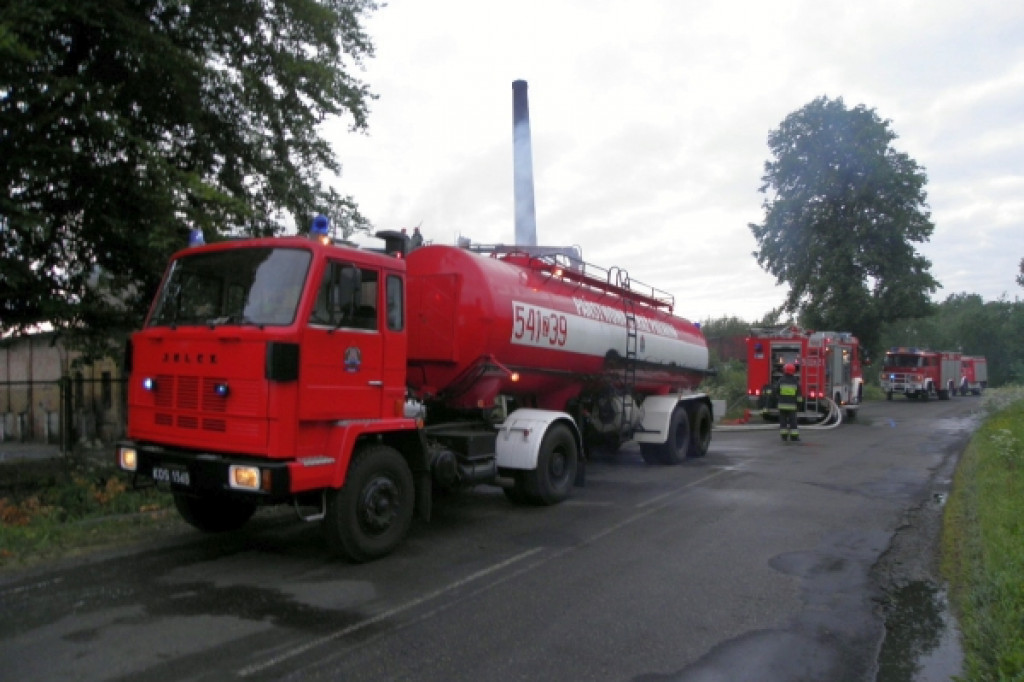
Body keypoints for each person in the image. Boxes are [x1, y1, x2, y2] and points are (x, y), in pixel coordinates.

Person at [777, 363, 801, 442]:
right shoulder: (795, 381)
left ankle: (784, 436)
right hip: (792, 406)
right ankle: (794, 437)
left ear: (785, 370)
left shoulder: (781, 380)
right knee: (793, 422)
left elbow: (776, 391)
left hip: (782, 405)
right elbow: (799, 394)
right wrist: (799, 404)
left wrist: (779, 398)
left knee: (783, 421)